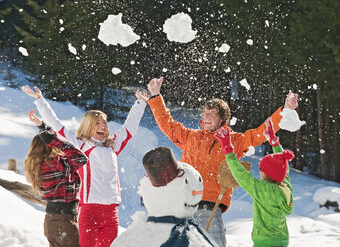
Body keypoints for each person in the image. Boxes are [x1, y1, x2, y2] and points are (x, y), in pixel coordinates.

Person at [146, 77, 298, 246]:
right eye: (205, 112)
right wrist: (155, 95)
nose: (206, 115)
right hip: (184, 207)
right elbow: (167, 124)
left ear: (222, 119)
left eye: (212, 113)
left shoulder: (233, 141)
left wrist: (285, 111)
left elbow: (258, 134)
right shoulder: (191, 136)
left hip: (210, 207)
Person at [22, 85, 149, 247]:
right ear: (88, 126)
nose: (103, 126)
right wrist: (39, 100)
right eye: (98, 123)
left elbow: (129, 128)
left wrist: (140, 103)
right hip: (89, 211)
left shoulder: (112, 146)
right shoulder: (80, 144)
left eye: (104, 123)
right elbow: (56, 125)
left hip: (111, 213)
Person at [215, 117, 294, 247]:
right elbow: (284, 168)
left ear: (268, 175)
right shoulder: (285, 188)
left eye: (261, 170)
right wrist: (274, 142)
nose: (259, 172)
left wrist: (228, 149)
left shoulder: (263, 190)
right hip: (282, 240)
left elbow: (242, 177)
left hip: (264, 242)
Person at [24, 110, 88, 247]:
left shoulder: (44, 164)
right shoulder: (54, 164)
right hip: (63, 221)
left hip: (53, 221)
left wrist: (43, 128)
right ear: (49, 145)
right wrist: (54, 140)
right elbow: (81, 158)